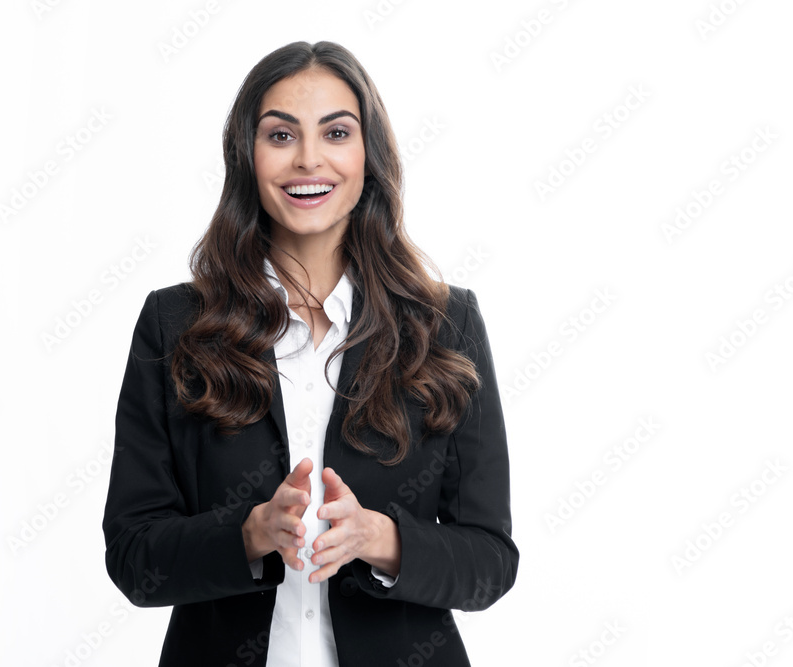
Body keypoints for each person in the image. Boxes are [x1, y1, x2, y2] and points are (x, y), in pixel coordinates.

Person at [101, 40, 518, 666]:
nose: (308, 159)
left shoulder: (444, 324)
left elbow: (490, 562)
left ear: (369, 156)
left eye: (336, 133)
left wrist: (382, 540)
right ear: (246, 155)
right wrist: (249, 534)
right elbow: (134, 558)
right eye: (280, 135)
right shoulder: (176, 324)